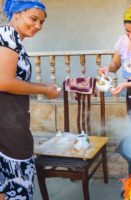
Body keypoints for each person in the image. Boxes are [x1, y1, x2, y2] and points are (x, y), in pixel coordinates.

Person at [0, 0, 60, 199]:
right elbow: (4, 82)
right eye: (33, 19)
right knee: (17, 190)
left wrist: (43, 86)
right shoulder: (7, 37)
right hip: (7, 129)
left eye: (41, 22)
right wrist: (42, 92)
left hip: (12, 123)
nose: (38, 26)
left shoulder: (15, 42)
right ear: (16, 13)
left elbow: (15, 81)